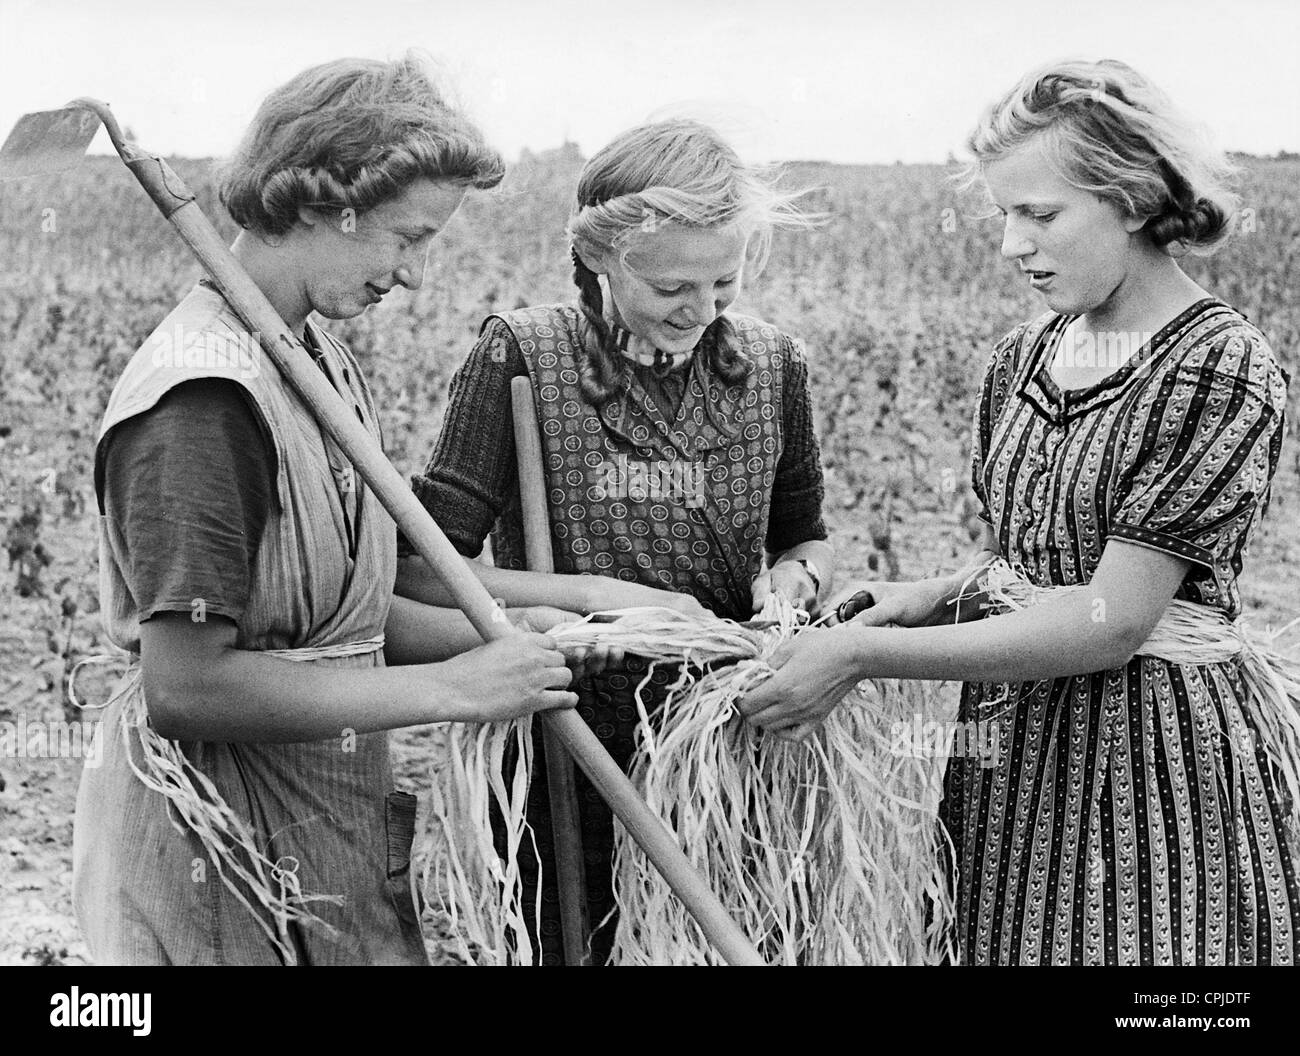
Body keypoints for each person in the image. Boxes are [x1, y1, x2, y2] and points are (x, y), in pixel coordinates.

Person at [740, 59, 1299, 965]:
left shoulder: (1216, 368)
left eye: (1039, 214)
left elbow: (1109, 622)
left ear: (1134, 198)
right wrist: (927, 596)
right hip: (1011, 753)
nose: (1011, 244)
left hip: (1146, 765)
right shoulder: (1023, 358)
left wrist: (862, 652)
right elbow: (1037, 571)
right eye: (1003, 213)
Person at [72, 54, 599, 966]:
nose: (415, 276)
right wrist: (453, 692)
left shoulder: (310, 359)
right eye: (407, 237)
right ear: (323, 202)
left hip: (317, 837)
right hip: (219, 852)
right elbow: (187, 685)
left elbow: (342, 621)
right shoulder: (203, 400)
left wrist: (501, 635)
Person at [396, 118, 835, 963]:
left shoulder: (774, 366)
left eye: (723, 282)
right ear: (602, 255)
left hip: (727, 741)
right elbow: (421, 570)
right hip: (570, 734)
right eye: (672, 285)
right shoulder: (525, 357)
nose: (699, 310)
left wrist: (793, 590)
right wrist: (588, 604)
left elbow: (803, 539)